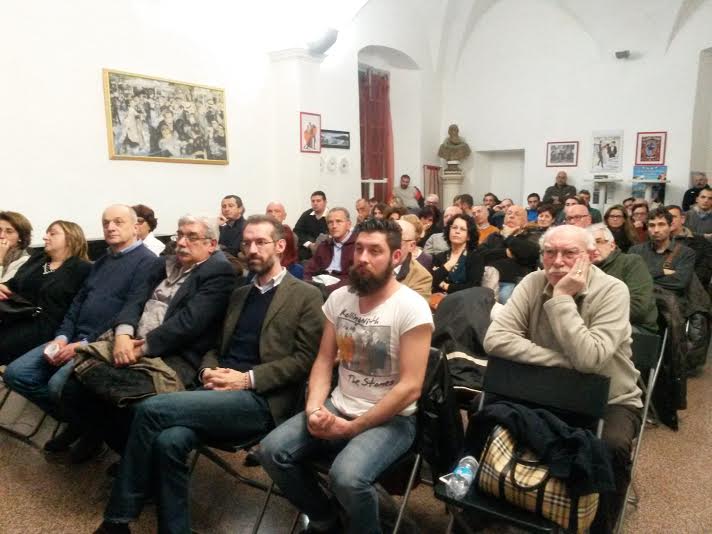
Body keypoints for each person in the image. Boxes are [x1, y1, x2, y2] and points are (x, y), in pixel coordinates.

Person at [94, 215, 325, 534]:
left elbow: (304, 360)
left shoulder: (305, 294)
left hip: (260, 399)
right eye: (247, 243)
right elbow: (216, 346)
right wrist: (207, 370)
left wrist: (246, 379)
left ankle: (117, 521)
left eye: (261, 242)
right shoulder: (240, 294)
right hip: (216, 390)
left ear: (281, 246)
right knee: (169, 441)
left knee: (150, 409)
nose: (252, 249)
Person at [259, 218, 433, 534]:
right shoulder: (340, 298)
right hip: (339, 405)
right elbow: (324, 360)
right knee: (271, 451)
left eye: (375, 251)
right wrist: (315, 408)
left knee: (347, 478)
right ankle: (326, 519)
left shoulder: (412, 307)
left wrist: (353, 427)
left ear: (396, 257)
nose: (363, 258)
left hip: (392, 419)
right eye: (359, 249)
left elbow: (410, 387)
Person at [484, 225, 643, 534]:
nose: (557, 262)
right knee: (489, 413)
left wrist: (561, 298)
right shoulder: (532, 282)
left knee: (610, 446)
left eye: (570, 253)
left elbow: (590, 359)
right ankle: (493, 512)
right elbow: (496, 339)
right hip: (547, 390)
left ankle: (600, 526)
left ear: (591, 256)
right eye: (550, 252)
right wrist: (561, 361)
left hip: (610, 398)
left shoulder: (613, 291)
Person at [59, 215, 237, 453]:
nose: (181, 242)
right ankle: (103, 438)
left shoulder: (220, 273)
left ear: (211, 244)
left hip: (175, 354)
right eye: (179, 235)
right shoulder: (163, 264)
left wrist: (140, 348)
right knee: (74, 387)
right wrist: (123, 334)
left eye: (191, 237)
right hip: (131, 342)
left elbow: (188, 323)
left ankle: (133, 458)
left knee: (126, 402)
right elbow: (135, 300)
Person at [4, 205, 158, 458]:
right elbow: (77, 303)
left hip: (101, 343)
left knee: (57, 387)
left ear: (135, 226)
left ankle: (90, 430)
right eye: (106, 222)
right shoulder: (103, 261)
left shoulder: (148, 262)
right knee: (17, 374)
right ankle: (83, 424)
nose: (110, 227)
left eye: (118, 222)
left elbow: (131, 311)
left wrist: (83, 343)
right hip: (71, 336)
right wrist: (62, 336)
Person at [0, 221, 91, 364]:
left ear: (71, 238)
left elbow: (76, 307)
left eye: (52, 234)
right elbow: (13, 285)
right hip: (17, 315)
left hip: (45, 327)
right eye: (47, 233)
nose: (45, 237)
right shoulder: (38, 259)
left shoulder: (81, 268)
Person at [587, 224, 658, 333]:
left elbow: (638, 308)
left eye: (598, 241)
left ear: (612, 245)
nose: (593, 248)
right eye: (588, 245)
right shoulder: (585, 268)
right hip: (594, 324)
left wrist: (594, 313)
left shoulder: (631, 262)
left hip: (635, 327)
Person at [630, 207, 696, 299]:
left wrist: (643, 278)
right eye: (652, 225)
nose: (656, 230)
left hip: (671, 304)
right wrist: (663, 272)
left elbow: (680, 283)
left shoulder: (686, 253)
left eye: (661, 224)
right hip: (641, 301)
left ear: (670, 226)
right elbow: (630, 279)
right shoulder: (636, 251)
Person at [481, 205, 539, 303]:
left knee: (505, 298)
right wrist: (504, 252)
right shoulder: (494, 236)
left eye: (517, 214)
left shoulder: (531, 236)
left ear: (525, 222)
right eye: (509, 213)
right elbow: (481, 255)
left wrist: (508, 236)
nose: (511, 216)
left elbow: (530, 254)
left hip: (515, 283)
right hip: (489, 280)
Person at [304, 208, 357, 294]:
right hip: (319, 285)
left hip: (343, 289)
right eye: (330, 222)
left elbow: (355, 277)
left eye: (338, 221)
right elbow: (309, 269)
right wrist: (308, 284)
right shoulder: (324, 245)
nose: (334, 226)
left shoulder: (358, 246)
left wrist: (326, 289)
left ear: (348, 224)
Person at [431, 213, 484, 294]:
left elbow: (472, 287)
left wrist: (446, 286)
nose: (457, 231)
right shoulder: (439, 257)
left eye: (462, 229)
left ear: (469, 236)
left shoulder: (475, 258)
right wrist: (448, 265)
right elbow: (432, 281)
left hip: (464, 299)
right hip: (438, 299)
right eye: (454, 227)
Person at [667, 204, 712, 287]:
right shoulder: (655, 242)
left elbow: (703, 275)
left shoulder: (702, 242)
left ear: (682, 219)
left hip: (690, 290)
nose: (669, 220)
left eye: (673, 217)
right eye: (666, 218)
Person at [394, 219, 432, 300]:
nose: (388, 244)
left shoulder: (421, 277)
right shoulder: (371, 262)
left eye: (396, 240)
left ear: (411, 246)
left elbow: (413, 307)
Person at [265, 202, 302, 279]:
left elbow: (292, 258)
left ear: (284, 216)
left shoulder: (291, 236)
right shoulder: (259, 234)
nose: (273, 214)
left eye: (277, 211)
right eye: (269, 211)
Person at [294, 190, 329, 261]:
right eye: (313, 201)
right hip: (306, 251)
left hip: (326, 251)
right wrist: (309, 244)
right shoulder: (306, 215)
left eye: (318, 201)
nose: (315, 203)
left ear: (325, 202)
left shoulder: (331, 216)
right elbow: (297, 231)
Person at [0, 211, 33, 283]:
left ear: (20, 237)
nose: (1, 236)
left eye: (9, 232)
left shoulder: (24, 261)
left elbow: (3, 287)